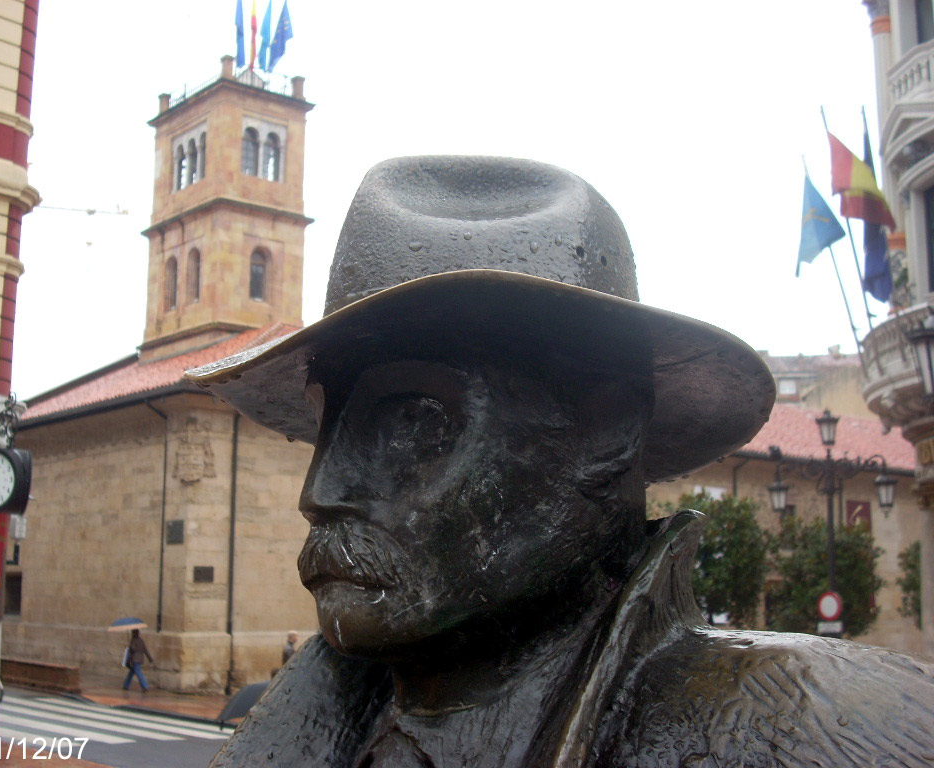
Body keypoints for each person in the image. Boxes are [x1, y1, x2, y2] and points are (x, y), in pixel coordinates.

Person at [188, 157, 934, 767]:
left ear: (605, 431)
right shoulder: (304, 730)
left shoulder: (814, 734)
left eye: (414, 422)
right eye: (328, 424)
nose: (320, 490)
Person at [122, 628, 153, 693]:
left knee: (138, 673)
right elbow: (145, 650)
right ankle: (126, 685)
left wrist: (129, 647)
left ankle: (145, 686)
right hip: (140, 659)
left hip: (135, 659)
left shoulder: (133, 640)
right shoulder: (141, 641)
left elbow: (133, 649)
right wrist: (150, 658)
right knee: (131, 673)